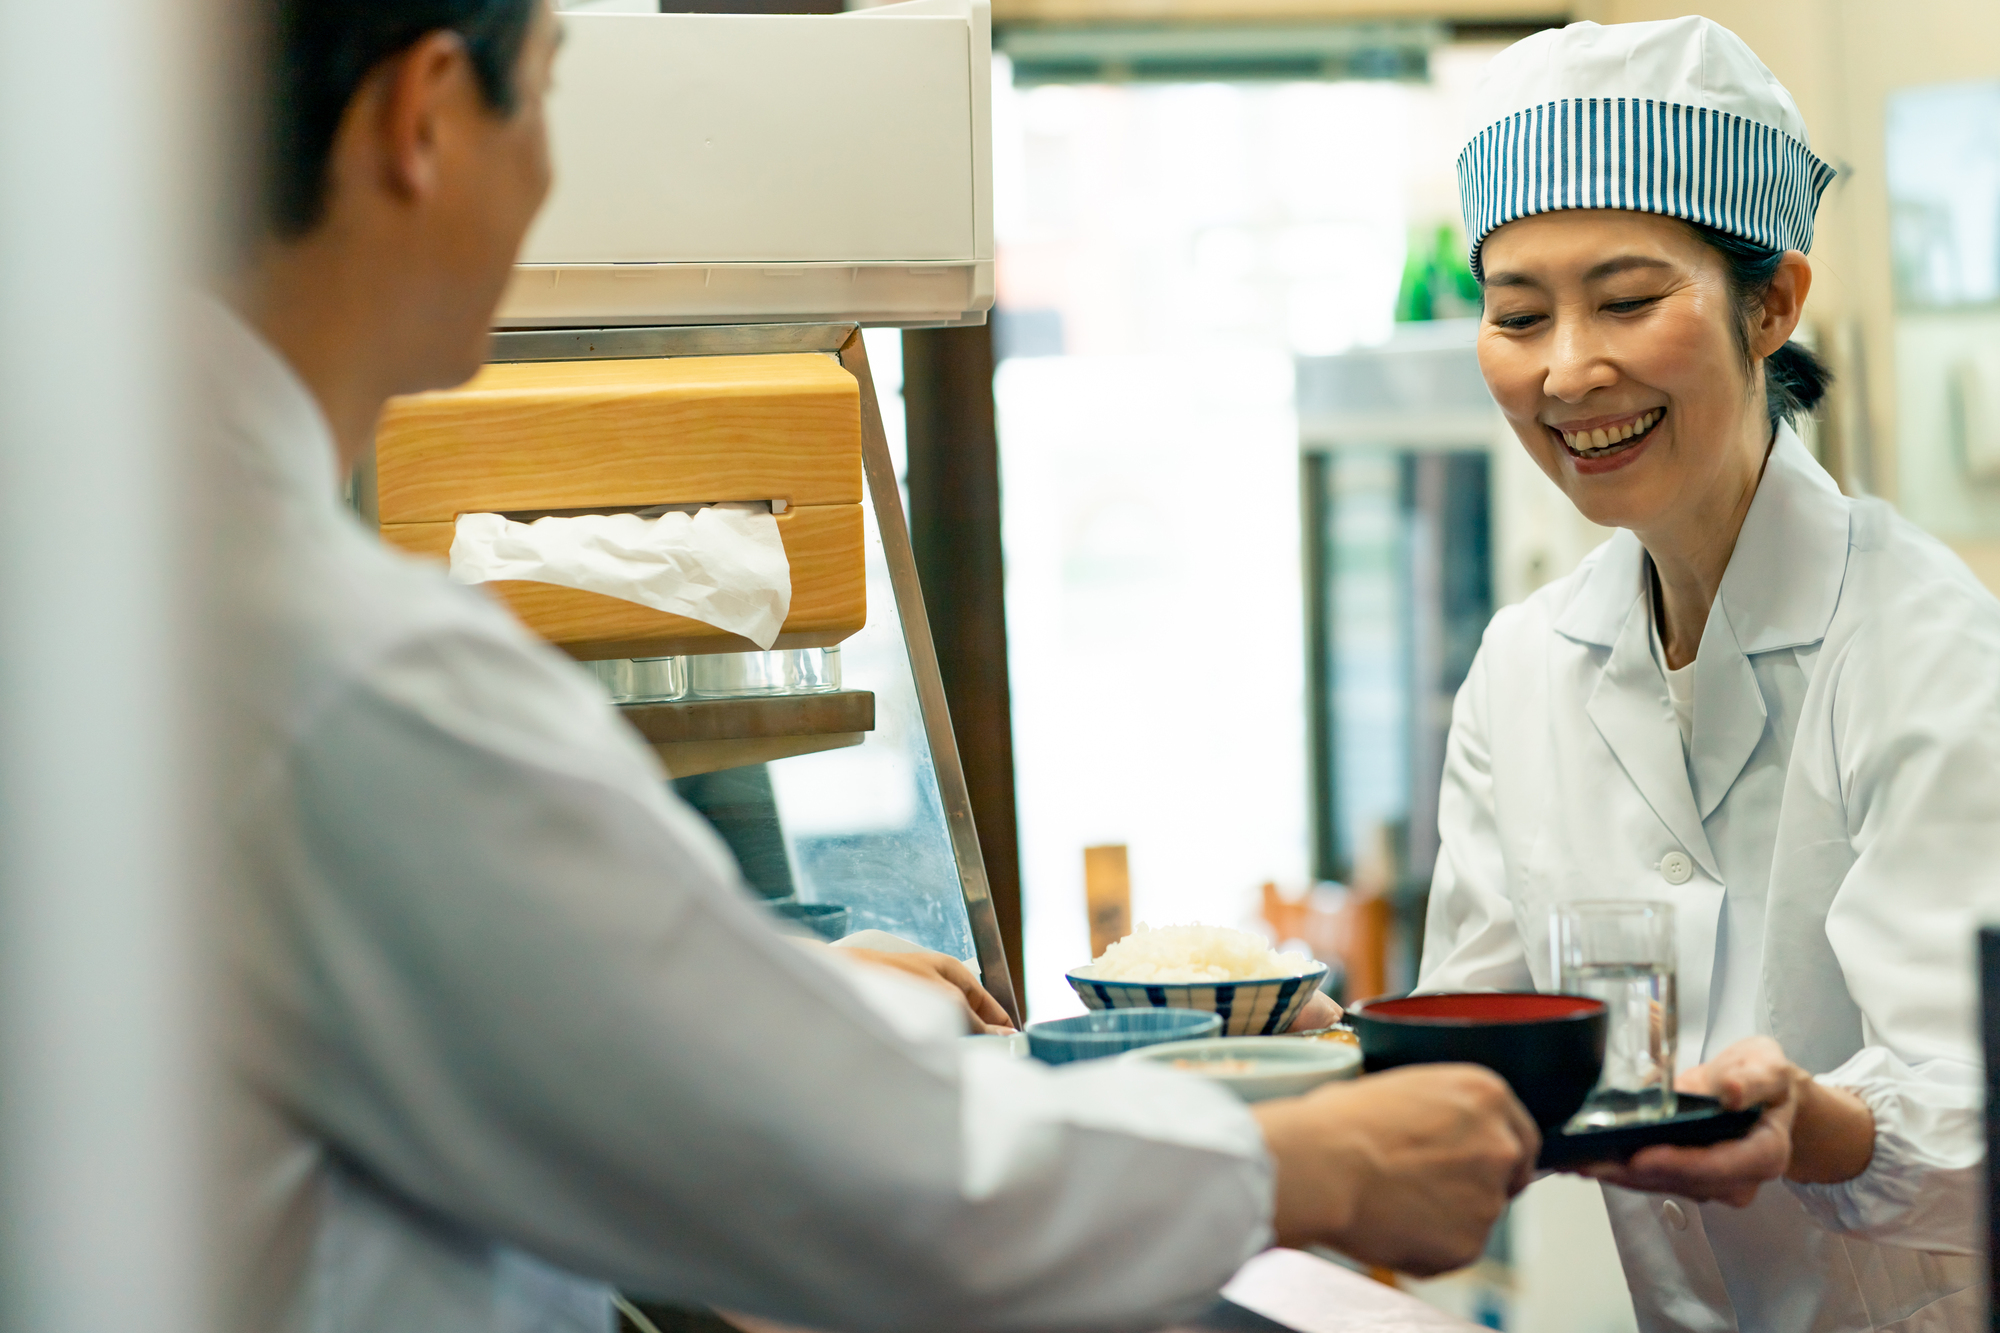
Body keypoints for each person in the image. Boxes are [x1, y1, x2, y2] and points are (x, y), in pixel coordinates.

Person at [209, 3, 1542, 1330]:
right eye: (550, 93)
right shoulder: (342, 664)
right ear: (424, 119)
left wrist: (805, 987)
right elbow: (823, 1152)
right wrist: (1316, 1160)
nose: (556, 177)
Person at [1418, 16, 1999, 1332]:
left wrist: (1817, 1126)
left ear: (1774, 302)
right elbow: (1480, 1033)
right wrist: (1278, 1049)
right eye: (1518, 315)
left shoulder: (1930, 647)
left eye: (1627, 300)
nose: (1568, 368)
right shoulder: (1523, 670)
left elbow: (1974, 1101)